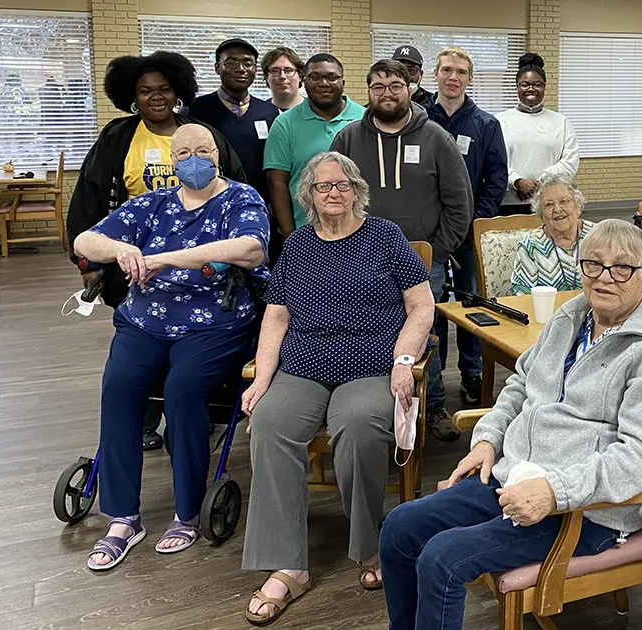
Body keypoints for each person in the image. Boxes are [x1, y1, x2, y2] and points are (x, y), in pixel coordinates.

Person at [378, 219, 642, 630]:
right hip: (515, 477)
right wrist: (488, 439)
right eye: (592, 264)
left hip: (586, 510)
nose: (603, 278)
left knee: (443, 557)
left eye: (622, 268)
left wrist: (553, 491)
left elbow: (639, 457)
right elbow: (522, 383)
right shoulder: (574, 313)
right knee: (399, 527)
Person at [240, 152, 434, 625]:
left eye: (343, 184)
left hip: (371, 365)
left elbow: (421, 304)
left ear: (357, 190)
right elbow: (277, 315)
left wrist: (404, 361)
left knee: (361, 425)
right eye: (324, 186)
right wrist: (262, 378)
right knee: (269, 422)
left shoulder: (384, 236)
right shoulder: (299, 245)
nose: (334, 192)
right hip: (303, 366)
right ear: (308, 195)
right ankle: (288, 563)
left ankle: (370, 547)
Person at [73, 124, 270, 571]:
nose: (194, 158)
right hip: (146, 321)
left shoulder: (241, 199)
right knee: (119, 387)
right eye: (184, 152)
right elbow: (84, 241)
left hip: (213, 324)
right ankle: (123, 517)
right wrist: (120, 248)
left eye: (203, 150)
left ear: (217, 155)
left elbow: (252, 249)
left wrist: (165, 258)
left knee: (182, 390)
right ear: (173, 160)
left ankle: (186, 513)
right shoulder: (152, 203)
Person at [66, 51, 248, 451]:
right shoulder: (118, 136)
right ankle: (145, 419)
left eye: (164, 89)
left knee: (190, 353)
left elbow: (235, 187)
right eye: (145, 91)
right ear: (133, 96)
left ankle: (189, 418)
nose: (156, 97)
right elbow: (89, 200)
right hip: (135, 263)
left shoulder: (200, 133)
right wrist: (90, 261)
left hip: (202, 268)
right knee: (141, 346)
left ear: (178, 91)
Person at [329, 59, 472, 442]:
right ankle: (374, 409)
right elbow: (333, 195)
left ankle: (435, 404)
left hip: (424, 260)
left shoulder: (436, 138)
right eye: (378, 86)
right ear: (368, 91)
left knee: (425, 335)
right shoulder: (347, 140)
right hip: (359, 258)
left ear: (411, 88)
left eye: (396, 84)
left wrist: (437, 252)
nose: (387, 93)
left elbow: (460, 203)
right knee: (366, 329)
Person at [425, 45, 508, 410]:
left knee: (473, 304)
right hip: (431, 235)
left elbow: (497, 179)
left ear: (469, 79)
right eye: (446, 70)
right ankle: (435, 380)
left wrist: (478, 221)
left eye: (460, 72)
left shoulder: (486, 125)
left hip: (470, 233)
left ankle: (473, 372)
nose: (453, 77)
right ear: (435, 75)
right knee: (433, 306)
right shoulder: (419, 119)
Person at [263, 53, 365, 253]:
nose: (323, 83)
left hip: (360, 233)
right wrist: (291, 237)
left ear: (343, 82)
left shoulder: (365, 119)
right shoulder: (285, 123)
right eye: (315, 77)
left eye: (331, 77)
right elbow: (277, 183)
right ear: (304, 81)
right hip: (305, 232)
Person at [188, 38, 280, 209]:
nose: (241, 69)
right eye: (231, 63)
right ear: (217, 68)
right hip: (210, 205)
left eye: (248, 63)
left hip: (259, 205)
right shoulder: (195, 111)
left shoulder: (269, 112)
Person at [495, 53, 579, 216]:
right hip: (509, 202)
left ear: (544, 87)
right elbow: (494, 161)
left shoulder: (561, 122)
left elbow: (570, 162)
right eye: (525, 84)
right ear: (517, 87)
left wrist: (542, 182)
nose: (531, 89)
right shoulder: (499, 121)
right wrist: (517, 181)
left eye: (537, 84)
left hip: (550, 201)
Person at [509, 174, 594, 295]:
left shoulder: (598, 236)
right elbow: (521, 294)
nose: (557, 209)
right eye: (549, 205)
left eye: (564, 201)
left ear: (577, 206)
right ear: (541, 214)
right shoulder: (530, 245)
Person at [261, 46, 304, 111]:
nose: (282, 76)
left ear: (300, 76)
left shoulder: (315, 110)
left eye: (289, 70)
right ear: (266, 77)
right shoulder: (259, 112)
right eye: (275, 71)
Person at [392, 44, 431, 109]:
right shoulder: (381, 104)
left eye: (411, 70)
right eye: (398, 70)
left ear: (421, 75)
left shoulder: (433, 105)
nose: (405, 76)